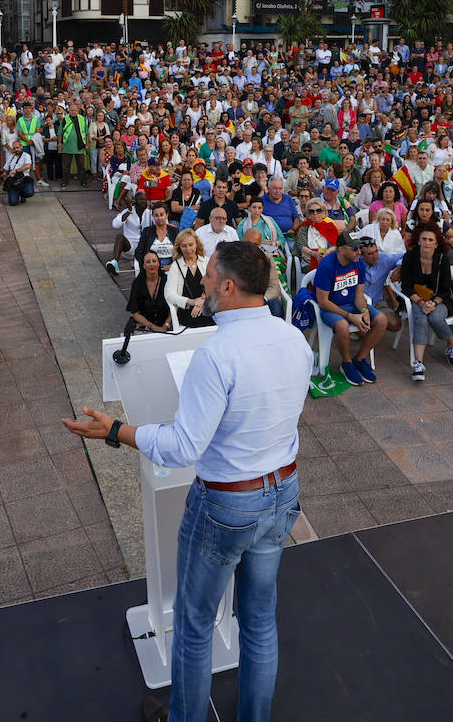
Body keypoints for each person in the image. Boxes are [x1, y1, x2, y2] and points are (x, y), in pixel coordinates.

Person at [62, 241, 310, 722]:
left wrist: (115, 430)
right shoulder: (292, 337)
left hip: (228, 505)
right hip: (282, 492)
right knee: (259, 621)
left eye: (209, 276)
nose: (203, 284)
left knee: (195, 624)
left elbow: (182, 448)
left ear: (229, 286)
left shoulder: (216, 354)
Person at [312, 231, 387, 385]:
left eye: (359, 247)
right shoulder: (326, 265)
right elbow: (323, 301)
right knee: (342, 325)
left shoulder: (358, 262)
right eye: (354, 248)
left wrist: (364, 311)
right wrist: (350, 316)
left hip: (352, 304)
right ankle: (346, 363)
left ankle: (360, 358)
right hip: (331, 307)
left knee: (381, 320)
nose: (359, 252)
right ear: (341, 250)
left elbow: (359, 294)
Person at [396, 223, 453, 380]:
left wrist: (434, 303)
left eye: (431, 240)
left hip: (440, 299)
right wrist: (421, 303)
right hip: (416, 298)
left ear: (436, 243)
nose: (427, 243)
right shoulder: (410, 257)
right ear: (418, 240)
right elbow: (406, 286)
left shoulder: (442, 259)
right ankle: (419, 363)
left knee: (435, 317)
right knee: (421, 318)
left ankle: (452, 344)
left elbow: (445, 288)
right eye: (424, 239)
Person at [166, 229, 215, 329]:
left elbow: (216, 286)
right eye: (184, 246)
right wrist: (192, 302)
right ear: (179, 247)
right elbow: (169, 294)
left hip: (208, 308)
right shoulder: (176, 266)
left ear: (196, 244)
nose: (188, 249)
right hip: (187, 313)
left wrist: (202, 302)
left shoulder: (206, 261)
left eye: (191, 245)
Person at [3, 138, 35, 205]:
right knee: (13, 203)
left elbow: (28, 166)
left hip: (23, 178)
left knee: (29, 192)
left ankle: (22, 194)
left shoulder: (26, 155)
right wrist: (3, 173)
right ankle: (17, 193)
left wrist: (16, 171)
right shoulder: (11, 157)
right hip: (13, 181)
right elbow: (5, 168)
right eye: (14, 148)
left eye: (17, 147)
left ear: (21, 147)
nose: (16, 150)